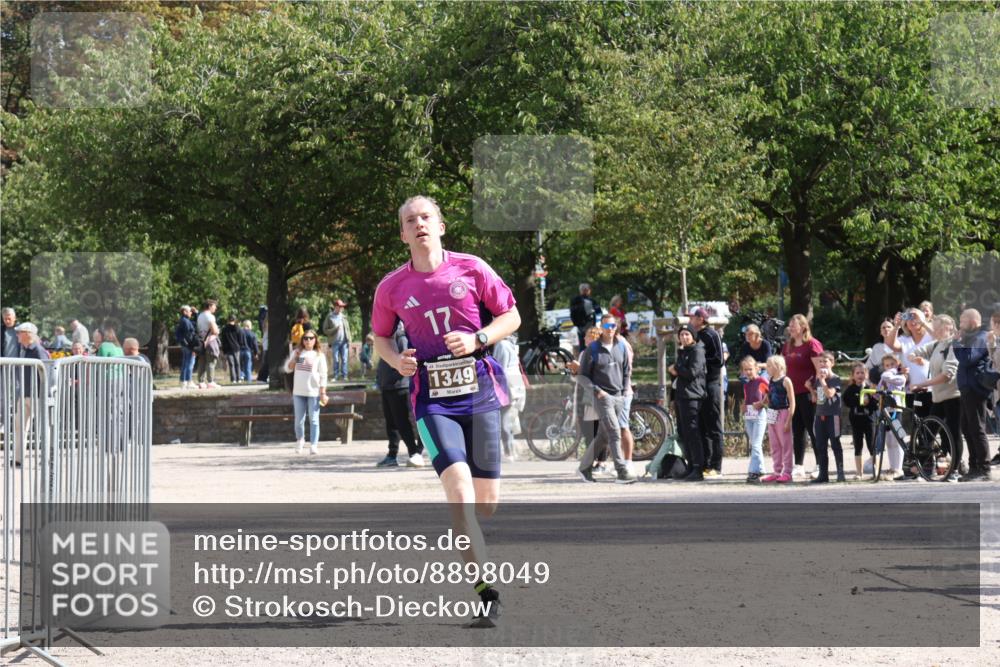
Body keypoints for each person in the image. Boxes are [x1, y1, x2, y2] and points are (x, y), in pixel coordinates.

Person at [370, 195, 520, 628]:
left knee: (485, 505)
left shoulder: (471, 268)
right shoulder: (391, 288)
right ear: (402, 234)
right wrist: (397, 360)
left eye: (425, 217)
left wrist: (478, 339)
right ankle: (485, 591)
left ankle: (475, 537)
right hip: (432, 400)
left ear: (440, 225)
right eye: (409, 220)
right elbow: (380, 336)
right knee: (458, 494)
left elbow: (511, 316)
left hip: (479, 394)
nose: (418, 224)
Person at [576, 313, 636, 485]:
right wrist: (597, 391)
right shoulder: (592, 349)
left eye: (613, 326)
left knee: (603, 435)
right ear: (601, 327)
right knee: (614, 432)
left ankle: (584, 468)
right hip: (602, 397)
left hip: (619, 396)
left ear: (616, 327)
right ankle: (622, 472)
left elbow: (626, 370)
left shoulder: (621, 346)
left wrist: (625, 390)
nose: (610, 330)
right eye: (606, 326)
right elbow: (582, 377)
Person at [909, 314, 963, 482]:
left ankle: (955, 469)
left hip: (953, 396)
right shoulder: (937, 344)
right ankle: (926, 467)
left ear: (949, 328)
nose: (936, 331)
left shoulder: (953, 346)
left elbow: (947, 375)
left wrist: (924, 382)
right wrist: (915, 357)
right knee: (928, 431)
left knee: (953, 433)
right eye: (935, 328)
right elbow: (920, 351)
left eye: (940, 328)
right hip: (938, 397)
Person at [375, 323, 425, 468]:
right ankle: (393, 455)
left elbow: (405, 359)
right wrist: (380, 380)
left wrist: (397, 376)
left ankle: (415, 453)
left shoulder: (400, 337)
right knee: (392, 424)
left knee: (403, 423)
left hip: (399, 386)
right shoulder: (384, 339)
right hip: (387, 386)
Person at [781, 314, 824, 478]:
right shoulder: (787, 346)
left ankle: (821, 463)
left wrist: (818, 394)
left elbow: (821, 370)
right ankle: (798, 465)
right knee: (797, 430)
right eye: (790, 325)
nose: (791, 328)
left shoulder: (812, 345)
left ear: (803, 327)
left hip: (810, 394)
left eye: (794, 325)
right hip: (793, 394)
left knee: (814, 429)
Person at [952, 309, 992, 481]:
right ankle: (974, 466)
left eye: (962, 321)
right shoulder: (971, 338)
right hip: (967, 389)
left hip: (975, 389)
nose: (960, 325)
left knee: (977, 428)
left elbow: (968, 358)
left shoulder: (980, 337)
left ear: (973, 321)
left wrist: (956, 343)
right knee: (967, 428)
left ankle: (984, 468)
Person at [689, 307, 724, 477]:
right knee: (702, 426)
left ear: (701, 319)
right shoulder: (695, 336)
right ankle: (706, 463)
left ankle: (717, 465)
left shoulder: (712, 334)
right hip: (699, 386)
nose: (690, 320)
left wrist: (700, 363)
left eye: (693, 318)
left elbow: (719, 360)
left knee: (714, 426)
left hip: (711, 383)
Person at [669, 324, 706, 481]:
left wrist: (677, 367)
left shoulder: (697, 351)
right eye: (682, 334)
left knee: (693, 432)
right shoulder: (682, 351)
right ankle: (690, 466)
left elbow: (692, 373)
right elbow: (677, 377)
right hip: (681, 396)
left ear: (693, 337)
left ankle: (698, 468)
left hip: (693, 396)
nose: (684, 337)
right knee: (684, 433)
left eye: (687, 334)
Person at [12, 322, 50, 465]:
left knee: (42, 427)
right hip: (25, 394)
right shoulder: (23, 349)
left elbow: (46, 374)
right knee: (19, 426)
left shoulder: (39, 351)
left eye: (19, 332)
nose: (17, 335)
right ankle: (18, 458)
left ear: (27, 334)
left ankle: (45, 458)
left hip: (38, 394)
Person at [285, 329, 328, 455]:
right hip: (298, 391)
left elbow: (323, 375)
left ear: (315, 340)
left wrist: (323, 392)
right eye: (305, 338)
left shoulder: (319, 355)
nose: (308, 340)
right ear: (302, 340)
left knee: (314, 420)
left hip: (313, 392)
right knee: (299, 419)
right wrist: (295, 358)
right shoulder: (298, 353)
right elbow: (288, 369)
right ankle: (300, 439)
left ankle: (314, 444)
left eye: (311, 338)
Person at [888, 308, 934, 420]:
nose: (913, 320)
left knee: (935, 422)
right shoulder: (904, 339)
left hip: (932, 389)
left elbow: (942, 338)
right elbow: (891, 344)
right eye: (909, 317)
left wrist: (923, 322)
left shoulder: (930, 336)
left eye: (916, 317)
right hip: (912, 391)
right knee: (919, 423)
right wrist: (897, 326)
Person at [806, 351, 844, 483]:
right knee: (820, 445)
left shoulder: (834, 379)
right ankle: (823, 474)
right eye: (820, 362)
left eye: (825, 361)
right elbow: (819, 399)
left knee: (835, 444)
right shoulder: (818, 379)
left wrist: (822, 380)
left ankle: (840, 472)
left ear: (832, 363)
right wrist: (811, 390)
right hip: (820, 415)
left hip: (832, 416)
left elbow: (829, 394)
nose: (822, 364)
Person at [759, 355, 795, 483]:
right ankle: (777, 470)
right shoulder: (771, 379)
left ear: (778, 366)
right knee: (774, 443)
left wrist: (789, 420)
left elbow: (792, 402)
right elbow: (769, 395)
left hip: (783, 412)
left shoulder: (786, 380)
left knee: (785, 443)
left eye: (769, 365)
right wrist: (762, 401)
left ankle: (787, 471)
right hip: (772, 411)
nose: (767, 368)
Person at [492, 332, 526, 462]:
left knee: (504, 421)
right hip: (515, 385)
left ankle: (508, 452)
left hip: (507, 387)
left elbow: (500, 369)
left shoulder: (501, 345)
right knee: (509, 420)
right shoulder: (510, 345)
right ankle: (510, 451)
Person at [874, 353, 908, 480]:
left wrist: (895, 370)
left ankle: (899, 468)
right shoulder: (884, 378)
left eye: (892, 364)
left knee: (897, 438)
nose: (889, 367)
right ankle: (893, 467)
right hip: (885, 411)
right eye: (887, 365)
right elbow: (878, 392)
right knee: (889, 441)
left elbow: (886, 376)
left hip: (896, 410)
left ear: (897, 364)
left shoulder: (901, 377)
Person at [843, 363, 876, 480]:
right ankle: (859, 472)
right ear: (853, 375)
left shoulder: (870, 388)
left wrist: (870, 400)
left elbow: (876, 404)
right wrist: (859, 400)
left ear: (866, 374)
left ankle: (875, 470)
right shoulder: (850, 389)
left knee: (871, 444)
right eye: (857, 373)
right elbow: (847, 401)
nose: (860, 375)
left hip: (869, 420)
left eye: (862, 372)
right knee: (858, 445)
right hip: (856, 420)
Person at [740, 356, 769, 483]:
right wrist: (743, 406)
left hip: (759, 415)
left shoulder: (761, 381)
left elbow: (770, 394)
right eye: (745, 370)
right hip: (749, 415)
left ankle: (752, 471)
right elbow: (747, 399)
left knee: (756, 444)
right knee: (754, 444)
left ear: (756, 368)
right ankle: (761, 469)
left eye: (750, 369)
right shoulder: (746, 385)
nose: (748, 372)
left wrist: (762, 403)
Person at [323, 300, 352, 381]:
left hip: (344, 342)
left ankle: (344, 376)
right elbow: (325, 330)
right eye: (340, 306)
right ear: (335, 307)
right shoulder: (329, 316)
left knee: (344, 359)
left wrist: (349, 339)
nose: (342, 308)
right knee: (335, 359)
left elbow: (348, 329)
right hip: (335, 342)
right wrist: (335, 329)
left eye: (342, 306)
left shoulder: (344, 316)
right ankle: (335, 376)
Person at [196, 299, 221, 388]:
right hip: (210, 341)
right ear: (210, 306)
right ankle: (210, 381)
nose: (215, 308)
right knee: (211, 361)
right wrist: (218, 330)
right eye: (214, 306)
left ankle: (201, 382)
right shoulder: (210, 316)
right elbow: (214, 331)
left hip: (202, 341)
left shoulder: (200, 316)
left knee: (202, 361)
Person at [569, 283, 601, 351]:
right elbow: (573, 311)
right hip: (584, 326)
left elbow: (598, 311)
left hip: (587, 326)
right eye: (584, 290)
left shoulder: (591, 300)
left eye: (586, 290)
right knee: (587, 345)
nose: (586, 291)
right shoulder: (577, 300)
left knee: (589, 345)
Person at [864, 320, 897, 385]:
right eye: (883, 327)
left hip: (896, 380)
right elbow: (868, 367)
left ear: (894, 329)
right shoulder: (877, 347)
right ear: (880, 332)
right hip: (879, 382)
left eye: (889, 327)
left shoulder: (900, 345)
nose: (886, 329)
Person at [175, 305, 198, 389]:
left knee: (185, 363)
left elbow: (194, 324)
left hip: (185, 345)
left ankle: (183, 381)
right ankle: (189, 381)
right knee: (190, 363)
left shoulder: (184, 320)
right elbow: (189, 335)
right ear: (185, 312)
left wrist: (196, 314)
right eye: (189, 311)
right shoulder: (185, 321)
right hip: (189, 345)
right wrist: (193, 347)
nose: (191, 312)